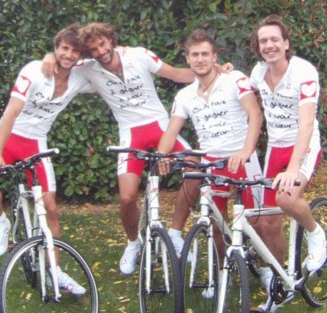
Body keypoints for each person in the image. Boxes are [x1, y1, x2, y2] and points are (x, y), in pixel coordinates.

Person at [42, 23, 231, 275]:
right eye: (94, 49)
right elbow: (63, 63)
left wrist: (217, 70)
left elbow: (176, 74)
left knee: (195, 168)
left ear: (111, 40)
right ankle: (133, 243)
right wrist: (49, 57)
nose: (100, 51)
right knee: (127, 197)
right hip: (130, 134)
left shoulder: (139, 55)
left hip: (160, 125)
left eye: (103, 44)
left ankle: (175, 232)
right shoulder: (88, 68)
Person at [0, 24, 91, 295]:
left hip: (36, 143)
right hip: (10, 135)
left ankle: (55, 271)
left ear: (80, 55)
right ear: (56, 48)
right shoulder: (34, 70)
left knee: (50, 206)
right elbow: (11, 112)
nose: (68, 55)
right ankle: (0, 221)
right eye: (64, 48)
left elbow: (107, 61)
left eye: (75, 51)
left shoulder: (81, 76)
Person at [157, 29, 264, 270]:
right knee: (216, 225)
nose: (200, 59)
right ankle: (222, 273)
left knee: (257, 221)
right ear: (187, 59)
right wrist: (162, 155)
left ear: (215, 57)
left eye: (205, 54)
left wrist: (245, 152)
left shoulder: (234, 79)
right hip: (212, 165)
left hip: (242, 159)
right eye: (195, 54)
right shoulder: (184, 96)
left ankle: (267, 273)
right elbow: (171, 131)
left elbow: (255, 115)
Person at [248, 15, 327, 313]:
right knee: (268, 223)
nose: (268, 45)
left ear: (286, 44)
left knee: (285, 198)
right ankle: (281, 284)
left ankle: (316, 235)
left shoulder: (303, 72)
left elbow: (306, 123)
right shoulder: (258, 73)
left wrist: (294, 168)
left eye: (274, 39)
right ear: (258, 47)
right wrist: (223, 69)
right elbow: (240, 85)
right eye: (263, 41)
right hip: (275, 148)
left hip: (303, 145)